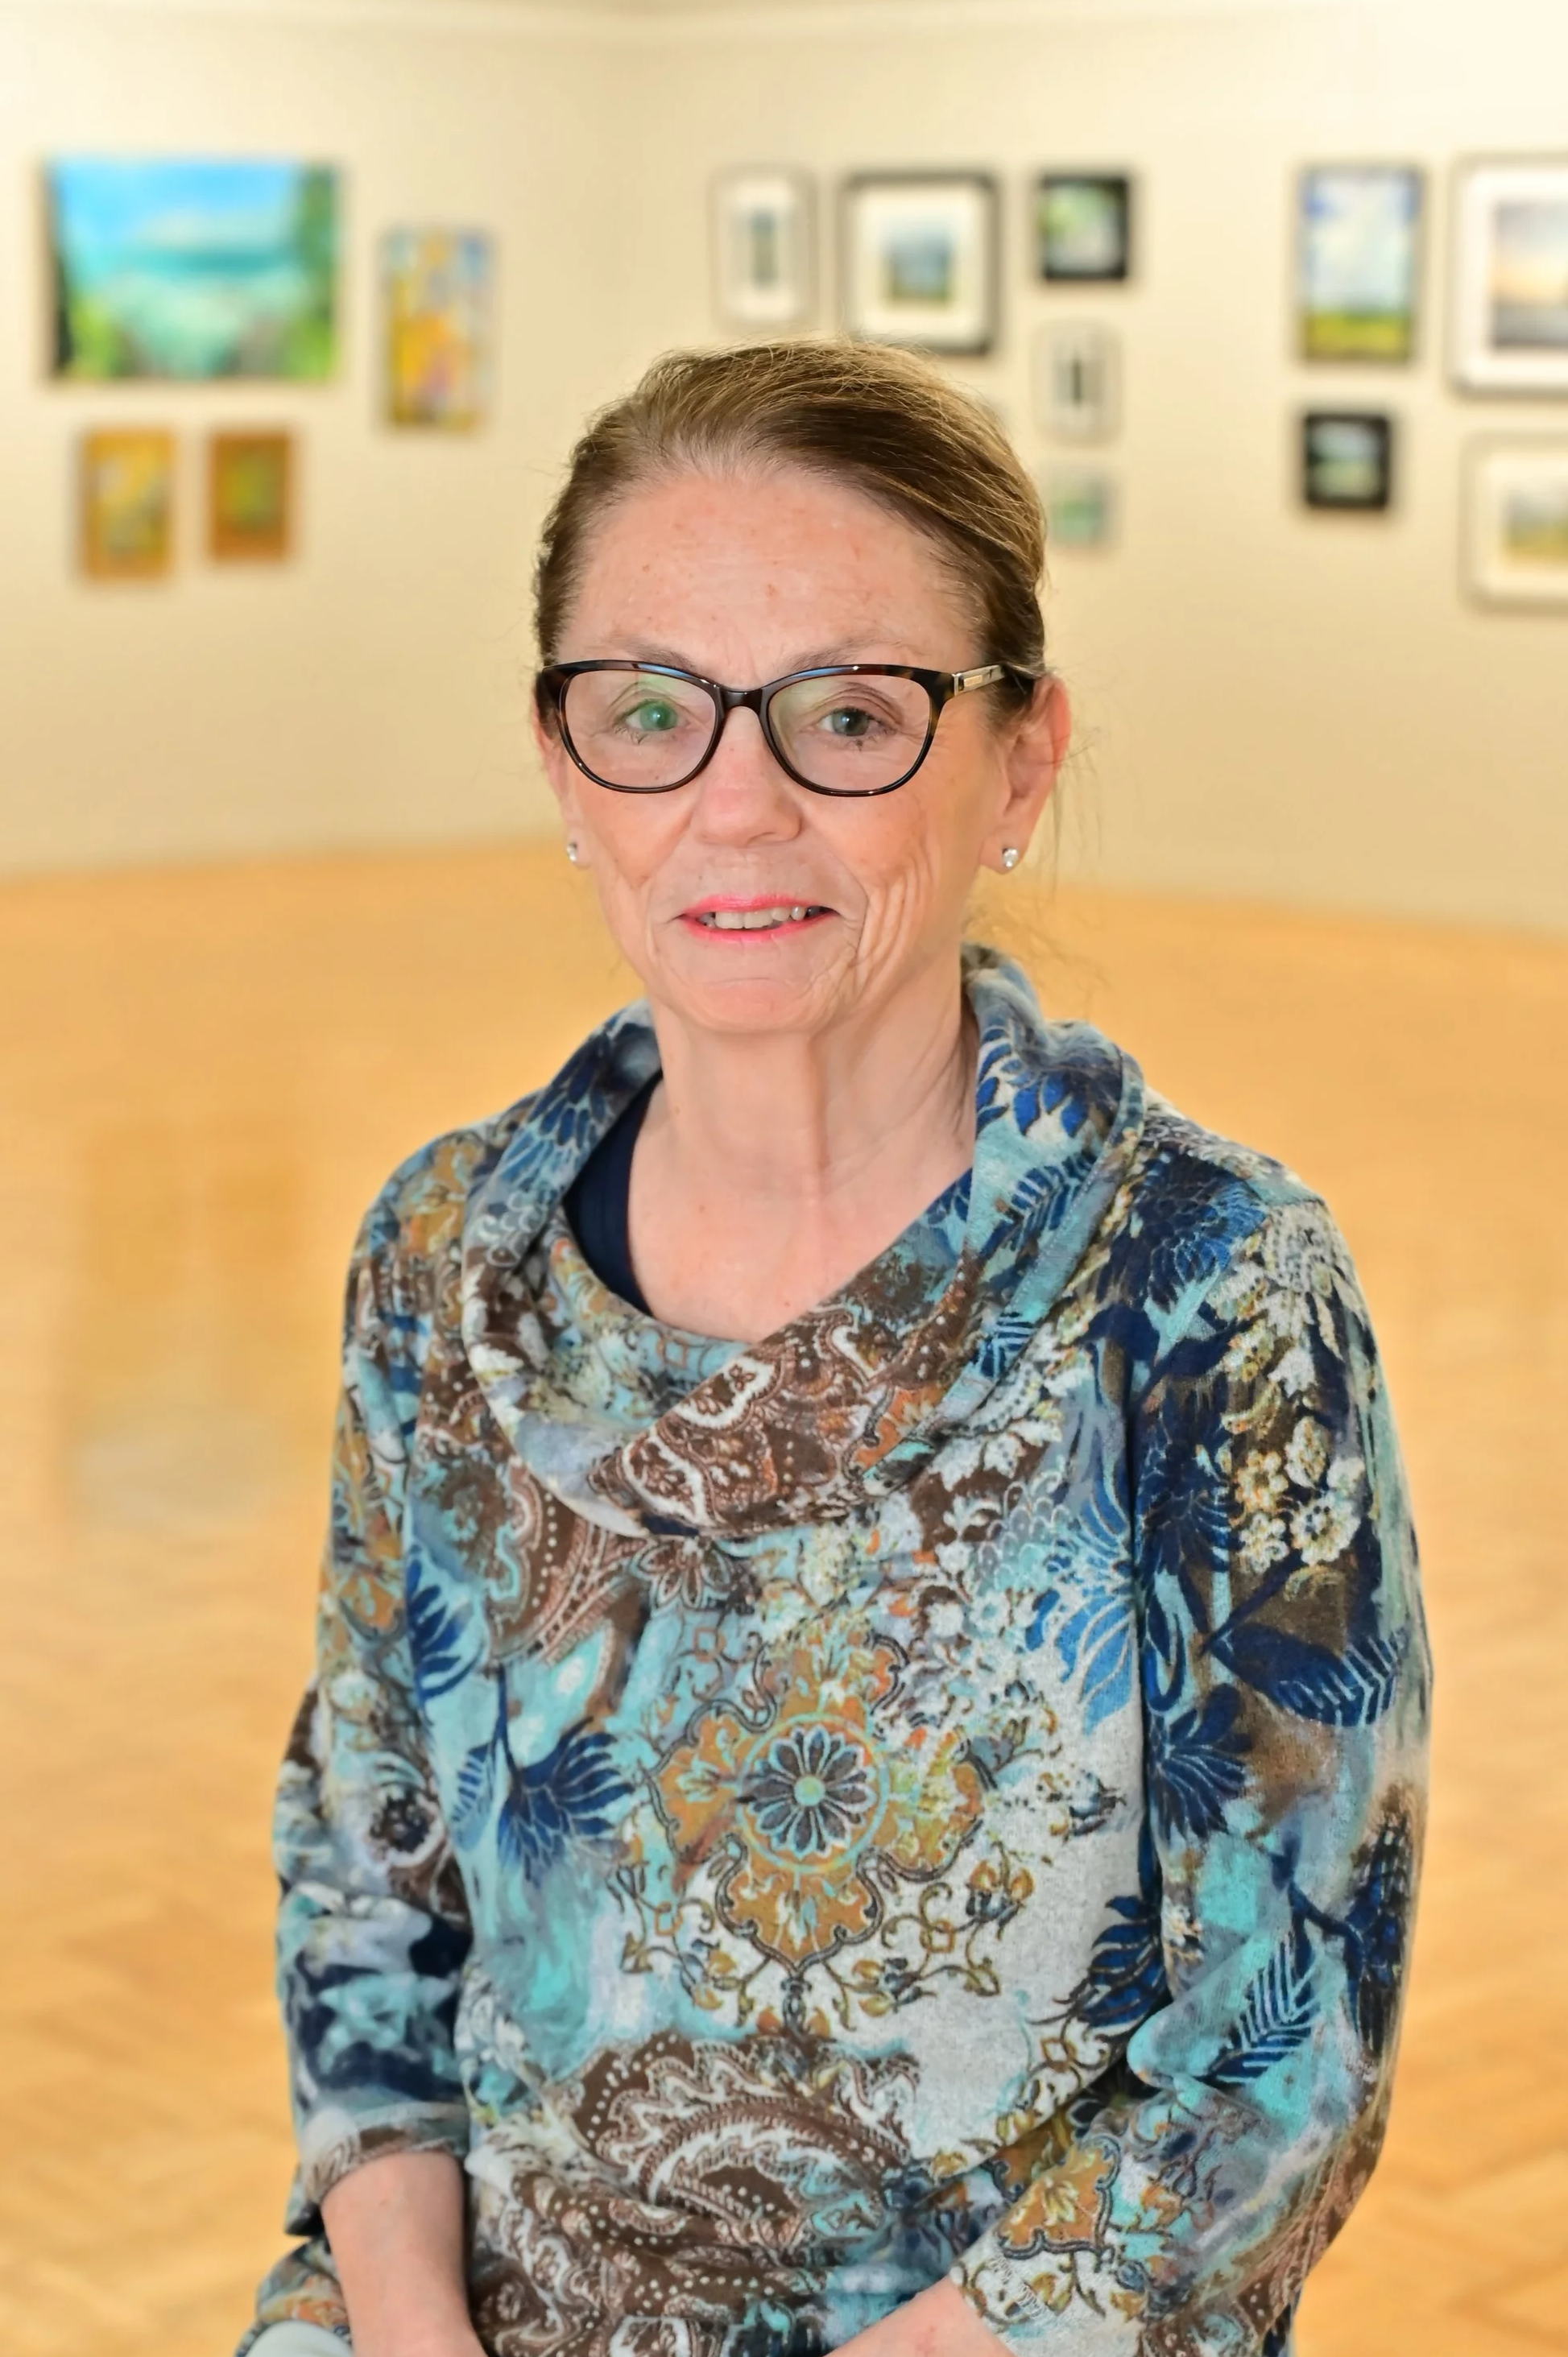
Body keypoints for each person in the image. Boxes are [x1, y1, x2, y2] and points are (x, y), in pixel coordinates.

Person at [240, 341, 1429, 2357]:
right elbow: (370, 1889)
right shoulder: (439, 1259)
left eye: (850, 714)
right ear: (561, 764)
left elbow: (1272, 2070)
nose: (736, 801)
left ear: (1021, 760)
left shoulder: (1209, 1291)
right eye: (646, 709)